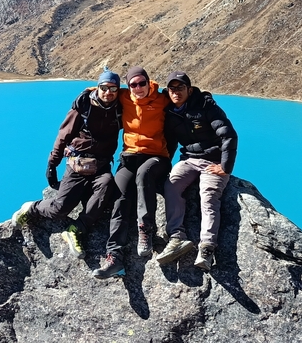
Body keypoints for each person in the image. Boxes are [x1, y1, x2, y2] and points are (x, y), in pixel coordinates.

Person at [12, 69, 122, 259]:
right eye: (104, 88)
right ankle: (32, 208)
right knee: (60, 209)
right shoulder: (84, 106)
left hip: (101, 166)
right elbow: (63, 136)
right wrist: (52, 164)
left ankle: (76, 229)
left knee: (106, 186)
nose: (108, 92)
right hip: (78, 164)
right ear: (98, 87)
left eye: (113, 88)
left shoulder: (120, 108)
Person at [93, 66, 172, 279]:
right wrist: (87, 93)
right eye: (133, 85)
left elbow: (185, 100)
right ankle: (114, 258)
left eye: (141, 83)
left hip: (157, 158)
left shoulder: (162, 99)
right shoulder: (124, 97)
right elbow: (103, 90)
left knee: (144, 175)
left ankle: (146, 230)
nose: (138, 88)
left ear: (148, 82)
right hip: (129, 158)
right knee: (119, 195)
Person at [155, 71, 238, 271]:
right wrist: (165, 166)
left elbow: (229, 135)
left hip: (213, 160)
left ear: (189, 90)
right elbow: (170, 143)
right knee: (171, 185)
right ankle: (176, 237)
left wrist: (225, 167)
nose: (176, 92)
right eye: (172, 89)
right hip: (190, 160)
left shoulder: (205, 106)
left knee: (208, 196)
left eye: (180, 88)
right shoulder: (170, 112)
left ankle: (207, 247)